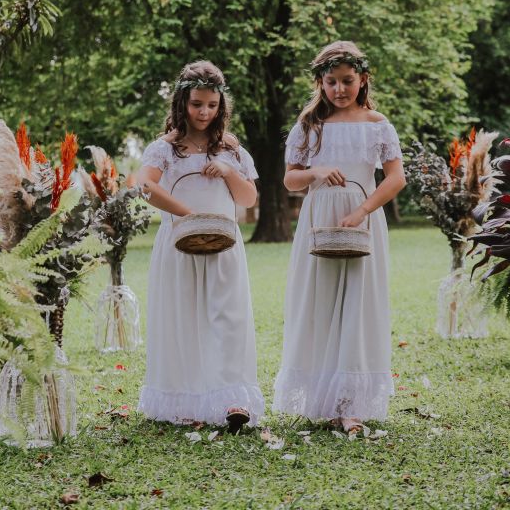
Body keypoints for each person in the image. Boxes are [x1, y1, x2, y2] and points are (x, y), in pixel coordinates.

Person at [273, 40, 406, 434]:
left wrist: (363, 211)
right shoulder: (309, 125)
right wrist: (316, 171)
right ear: (321, 83)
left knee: (359, 304)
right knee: (321, 302)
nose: (339, 89)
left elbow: (396, 177)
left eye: (347, 81)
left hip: (361, 217)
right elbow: (290, 179)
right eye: (331, 82)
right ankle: (326, 397)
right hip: (319, 219)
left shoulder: (377, 124)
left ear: (363, 79)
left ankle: (351, 403)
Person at [136, 61, 263, 433]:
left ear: (221, 104)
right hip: (179, 244)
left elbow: (250, 197)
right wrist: (189, 217)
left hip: (224, 245)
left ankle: (231, 397)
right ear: (181, 102)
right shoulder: (165, 149)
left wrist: (227, 171)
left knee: (229, 316)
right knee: (184, 317)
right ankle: (186, 398)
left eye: (211, 105)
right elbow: (147, 187)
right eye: (196, 104)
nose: (204, 112)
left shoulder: (231, 149)